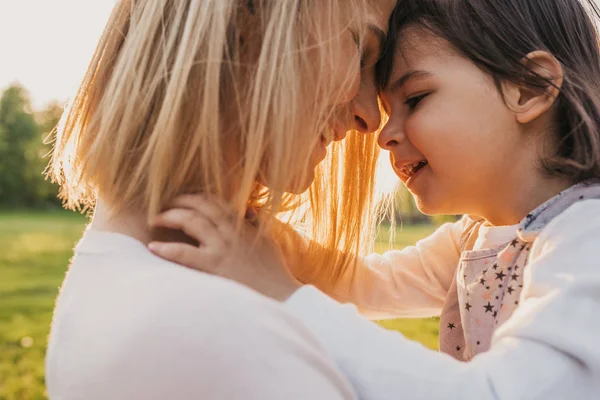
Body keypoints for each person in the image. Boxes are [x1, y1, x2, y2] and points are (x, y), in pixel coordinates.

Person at [150, 0, 600, 398]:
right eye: (388, 111)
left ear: (530, 88)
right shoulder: (475, 241)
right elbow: (368, 284)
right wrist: (260, 239)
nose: (383, 135)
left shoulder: (587, 234)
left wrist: (283, 294)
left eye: (417, 98)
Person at [44, 0, 397, 398]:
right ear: (249, 15)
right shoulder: (209, 329)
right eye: (359, 48)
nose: (371, 117)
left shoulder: (118, 276)